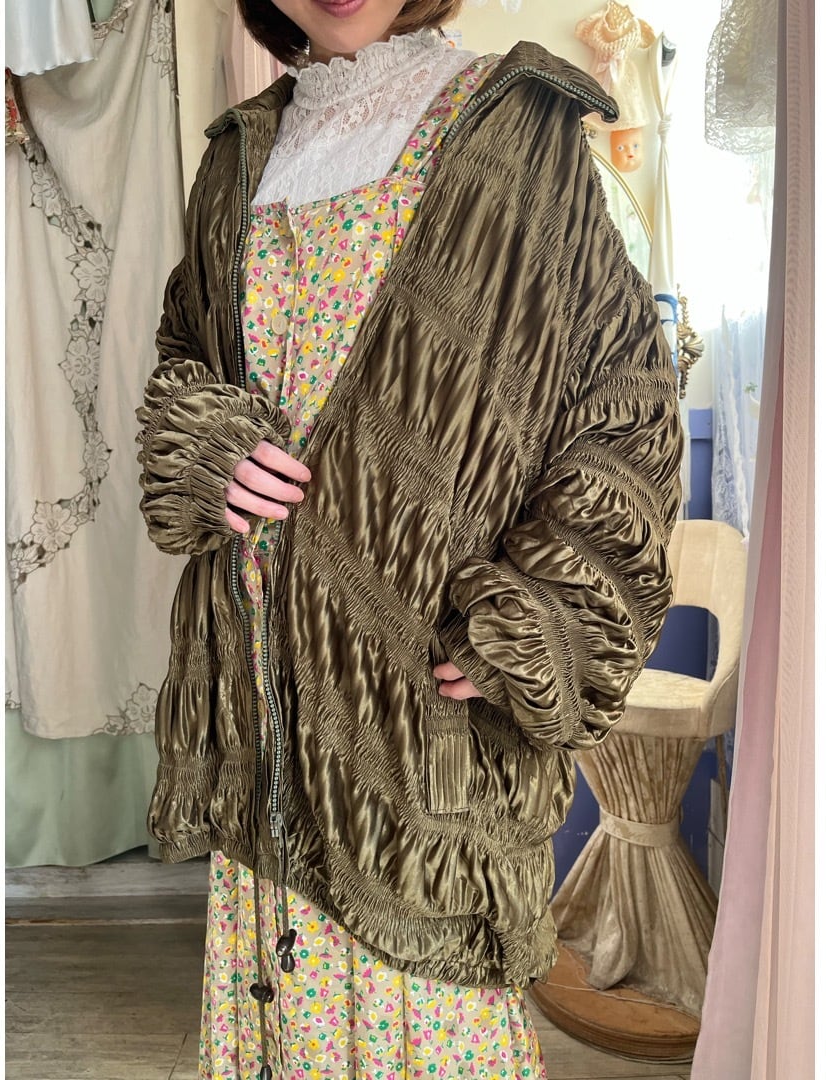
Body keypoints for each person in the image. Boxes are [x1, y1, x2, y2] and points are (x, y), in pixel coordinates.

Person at [135, 1, 683, 1076]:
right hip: (262, 713)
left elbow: (625, 411)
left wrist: (541, 614)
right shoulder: (239, 154)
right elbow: (182, 356)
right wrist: (204, 443)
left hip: (417, 729)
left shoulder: (518, 132)